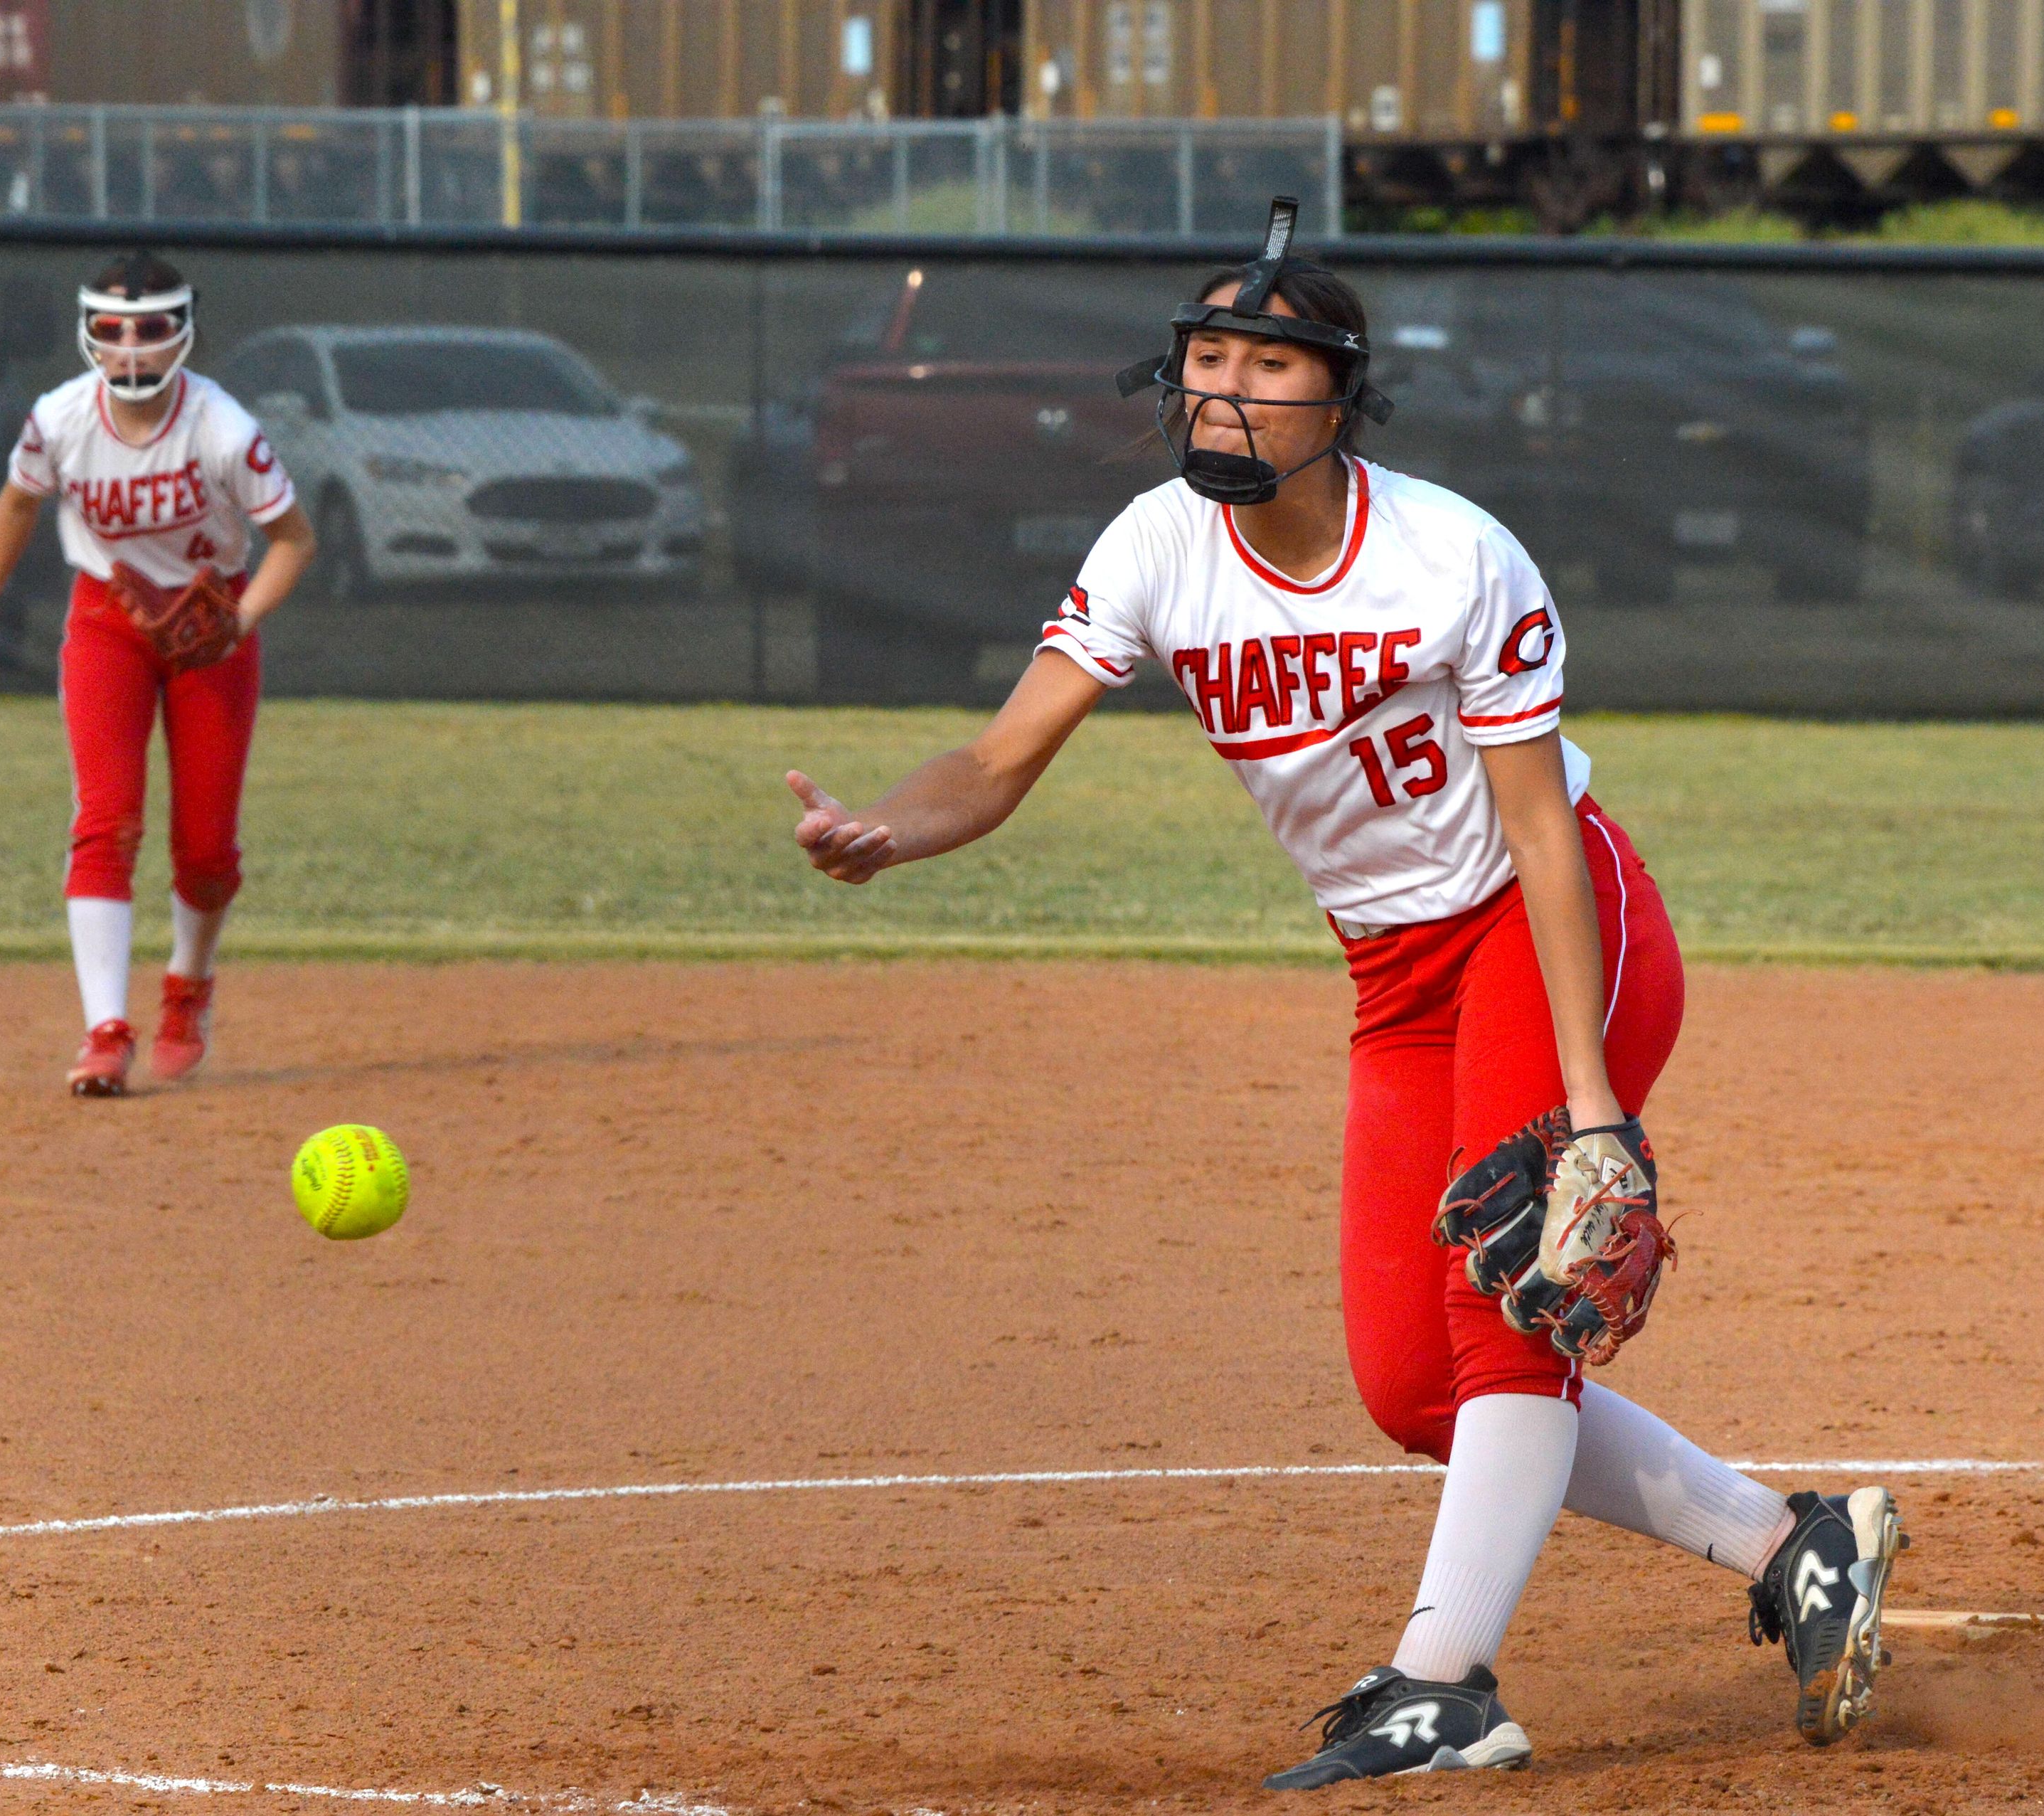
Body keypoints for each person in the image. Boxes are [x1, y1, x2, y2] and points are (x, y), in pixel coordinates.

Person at [782, 204, 1904, 1787]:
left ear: (1342, 397)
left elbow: (1537, 830)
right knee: (1406, 1382)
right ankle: (1798, 1546)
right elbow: (994, 756)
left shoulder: (1454, 550)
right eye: (1207, 360)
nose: (1225, 392)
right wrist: (890, 831)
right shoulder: (1156, 545)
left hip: (1547, 917)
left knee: (1498, 1300)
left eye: (1267, 364)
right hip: (1396, 974)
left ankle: (1444, 1685)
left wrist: (1591, 1101)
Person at [0, 250, 316, 1096]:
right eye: (114, 332)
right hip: (107, 621)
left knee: (207, 850)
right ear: (89, 337)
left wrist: (239, 619)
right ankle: (105, 1031)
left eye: (152, 330)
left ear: (185, 332)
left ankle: (188, 984)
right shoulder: (62, 417)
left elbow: (294, 540)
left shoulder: (222, 427)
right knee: (104, 822)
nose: (133, 351)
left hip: (210, 623)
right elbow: (17, 504)